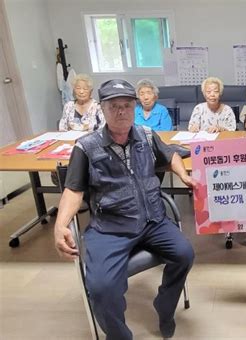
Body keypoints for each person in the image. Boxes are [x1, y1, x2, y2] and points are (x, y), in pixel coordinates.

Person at [54, 79, 196, 339]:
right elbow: (73, 189)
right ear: (103, 109)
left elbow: (171, 154)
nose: (121, 112)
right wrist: (61, 224)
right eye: (114, 106)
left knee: (184, 254)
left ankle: (164, 306)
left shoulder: (146, 134)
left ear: (135, 107)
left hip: (152, 219)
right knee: (101, 288)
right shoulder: (86, 146)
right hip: (110, 227)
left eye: (127, 106)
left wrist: (184, 176)